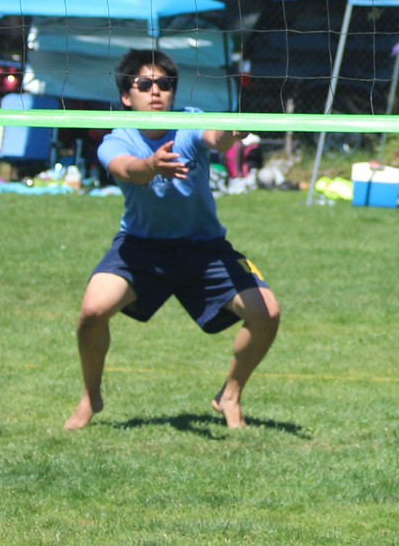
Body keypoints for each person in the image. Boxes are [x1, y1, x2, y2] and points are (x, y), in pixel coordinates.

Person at [64, 49, 280, 431]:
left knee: (267, 314)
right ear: (126, 96)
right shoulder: (116, 139)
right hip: (141, 247)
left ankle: (229, 396)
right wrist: (150, 165)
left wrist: (230, 133)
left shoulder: (189, 122)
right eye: (144, 84)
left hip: (204, 249)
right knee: (92, 312)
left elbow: (214, 138)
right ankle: (91, 397)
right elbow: (127, 170)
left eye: (164, 84)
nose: (155, 91)